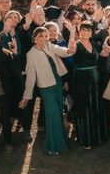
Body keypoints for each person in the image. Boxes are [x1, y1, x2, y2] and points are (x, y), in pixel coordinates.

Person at [20, 26, 76, 155]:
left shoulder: (50, 46)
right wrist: (27, 96)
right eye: (41, 36)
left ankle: (61, 139)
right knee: (52, 114)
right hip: (46, 87)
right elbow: (30, 77)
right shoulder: (31, 55)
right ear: (35, 39)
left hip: (57, 83)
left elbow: (66, 51)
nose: (44, 38)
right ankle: (53, 145)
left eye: (46, 36)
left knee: (59, 111)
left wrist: (72, 35)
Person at [70, 21, 107, 149]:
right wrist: (71, 33)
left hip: (95, 79)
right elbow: (70, 50)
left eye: (88, 30)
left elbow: (105, 53)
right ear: (79, 31)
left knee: (95, 106)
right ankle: (86, 139)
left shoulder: (94, 45)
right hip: (81, 80)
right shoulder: (76, 44)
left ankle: (96, 136)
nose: (85, 32)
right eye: (83, 30)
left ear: (91, 32)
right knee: (84, 108)